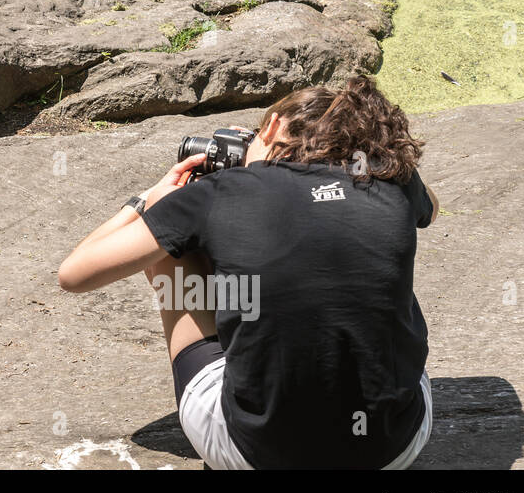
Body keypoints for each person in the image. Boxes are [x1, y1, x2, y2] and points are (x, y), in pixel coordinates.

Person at [58, 73, 438, 469]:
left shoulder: (219, 193)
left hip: (257, 458)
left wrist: (150, 203)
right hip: (392, 450)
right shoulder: (392, 177)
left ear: (273, 126)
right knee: (364, 260)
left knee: (168, 249)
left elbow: (74, 274)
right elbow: (431, 207)